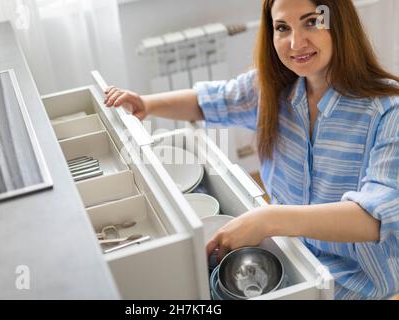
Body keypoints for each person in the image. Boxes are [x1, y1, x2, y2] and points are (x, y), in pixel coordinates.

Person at [104, 0, 399, 300]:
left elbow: (373, 219)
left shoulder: (388, 111)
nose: (296, 42)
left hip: (358, 282)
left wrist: (269, 219)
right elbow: (209, 101)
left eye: (311, 22)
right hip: (292, 257)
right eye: (282, 28)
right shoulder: (272, 88)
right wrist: (146, 104)